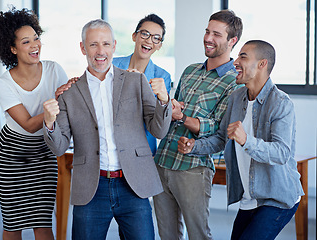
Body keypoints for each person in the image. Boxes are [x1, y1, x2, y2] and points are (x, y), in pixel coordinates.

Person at [43, 19, 172, 240]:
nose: (100, 51)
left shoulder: (136, 81)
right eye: (93, 45)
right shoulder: (69, 93)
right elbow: (59, 147)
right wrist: (49, 123)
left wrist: (164, 100)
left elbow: (158, 130)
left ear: (114, 45)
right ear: (83, 48)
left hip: (133, 185)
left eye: (105, 44)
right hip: (91, 189)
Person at [178, 40, 304, 240]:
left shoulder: (281, 103)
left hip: (277, 198)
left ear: (262, 64)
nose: (235, 61)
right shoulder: (236, 97)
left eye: (243, 56)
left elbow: (282, 153)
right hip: (249, 199)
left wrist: (246, 140)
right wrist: (194, 146)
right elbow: (221, 138)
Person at [153, 9, 243, 239]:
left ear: (232, 41)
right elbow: (175, 110)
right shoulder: (190, 71)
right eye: (207, 31)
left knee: (198, 234)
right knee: (167, 235)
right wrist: (169, 108)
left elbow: (217, 127)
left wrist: (181, 117)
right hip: (163, 161)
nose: (208, 38)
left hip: (193, 168)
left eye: (216, 34)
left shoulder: (235, 82)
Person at [0, 8, 68, 239]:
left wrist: (68, 94)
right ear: (12, 49)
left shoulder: (54, 69)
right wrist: (55, 101)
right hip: (12, 154)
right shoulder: (3, 83)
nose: (35, 45)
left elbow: (66, 111)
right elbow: (28, 124)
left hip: (43, 153)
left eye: (36, 38)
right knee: (13, 223)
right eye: (26, 41)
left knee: (43, 223)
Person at [113, 13, 172, 156]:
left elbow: (159, 124)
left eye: (156, 38)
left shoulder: (162, 77)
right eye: (145, 34)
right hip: (112, 148)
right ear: (134, 36)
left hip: (142, 152)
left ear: (159, 45)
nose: (149, 41)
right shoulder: (112, 66)